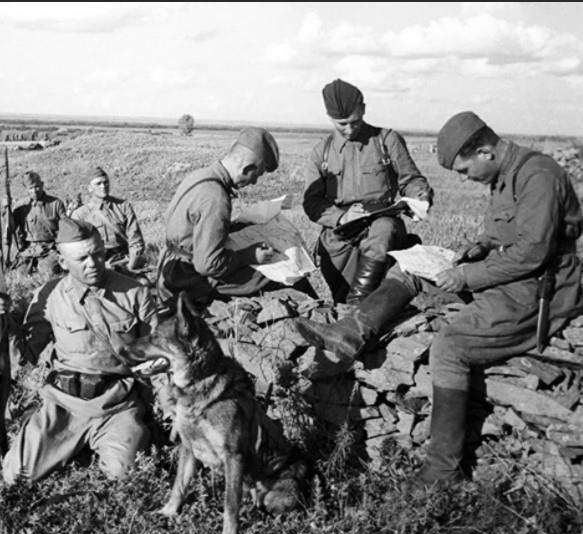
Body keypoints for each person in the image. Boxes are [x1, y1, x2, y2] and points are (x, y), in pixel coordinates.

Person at [294, 111, 583, 485]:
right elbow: (501, 236)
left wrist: (465, 276)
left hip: (538, 289)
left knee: (449, 348)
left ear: (484, 151)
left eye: (464, 170)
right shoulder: (505, 175)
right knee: (409, 269)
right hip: (507, 274)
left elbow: (531, 253)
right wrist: (478, 248)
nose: (465, 178)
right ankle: (351, 331)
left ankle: (443, 470)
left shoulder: (538, 176)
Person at [0, 217, 158, 484]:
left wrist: (168, 404)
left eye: (98, 254)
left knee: (126, 475)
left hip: (116, 404)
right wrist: (3, 321)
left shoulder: (135, 293)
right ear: (63, 262)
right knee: (16, 475)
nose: (93, 264)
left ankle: (90, 446)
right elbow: (26, 356)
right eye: (82, 259)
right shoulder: (49, 296)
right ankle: (59, 440)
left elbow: (158, 354)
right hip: (64, 405)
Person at [303, 78, 434, 305]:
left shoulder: (387, 141)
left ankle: (359, 304)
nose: (349, 129)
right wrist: (342, 217)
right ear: (330, 118)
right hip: (341, 238)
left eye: (354, 122)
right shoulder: (321, 152)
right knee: (342, 301)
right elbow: (312, 203)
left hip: (383, 227)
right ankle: (350, 311)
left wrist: (420, 196)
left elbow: (411, 179)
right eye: (342, 124)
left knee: (383, 229)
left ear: (363, 109)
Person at [158, 127, 312, 314]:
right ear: (247, 168)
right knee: (284, 274)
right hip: (187, 276)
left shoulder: (201, 176)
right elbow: (208, 265)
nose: (254, 182)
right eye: (257, 175)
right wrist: (248, 256)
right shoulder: (216, 198)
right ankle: (317, 313)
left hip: (171, 264)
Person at [70, 166, 146, 274]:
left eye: (106, 182)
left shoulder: (123, 206)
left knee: (144, 284)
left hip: (126, 259)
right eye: (98, 183)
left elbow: (136, 239)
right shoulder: (80, 215)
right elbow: (79, 249)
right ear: (89, 188)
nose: (103, 186)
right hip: (99, 264)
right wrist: (100, 266)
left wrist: (131, 265)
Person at [10, 170, 67, 275]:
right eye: (30, 188)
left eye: (37, 187)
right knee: (20, 273)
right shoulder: (21, 206)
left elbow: (66, 228)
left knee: (48, 271)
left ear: (42, 185)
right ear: (26, 189)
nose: (34, 191)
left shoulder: (56, 203)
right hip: (29, 249)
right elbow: (11, 228)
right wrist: (7, 211)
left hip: (50, 248)